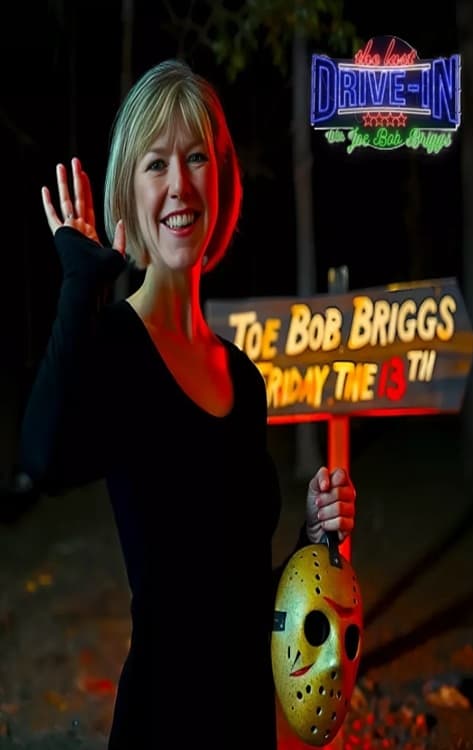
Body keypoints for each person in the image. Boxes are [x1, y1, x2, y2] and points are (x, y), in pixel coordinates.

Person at [2, 60, 356, 749]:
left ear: (219, 177)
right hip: (164, 725)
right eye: (156, 164)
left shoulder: (242, 376)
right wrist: (79, 283)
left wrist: (314, 537)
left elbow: (240, 591)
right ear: (129, 191)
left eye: (196, 158)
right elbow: (42, 458)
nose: (179, 185)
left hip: (247, 724)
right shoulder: (116, 346)